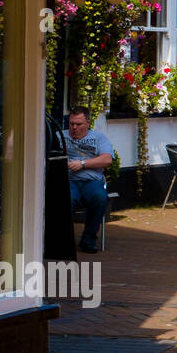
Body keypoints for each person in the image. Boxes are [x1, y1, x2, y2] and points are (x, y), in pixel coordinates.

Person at [64, 106, 114, 254]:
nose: (74, 127)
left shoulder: (99, 138)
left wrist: (83, 164)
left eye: (78, 124)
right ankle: (63, 241)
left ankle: (88, 239)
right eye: (71, 123)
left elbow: (107, 159)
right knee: (66, 199)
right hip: (69, 180)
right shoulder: (60, 136)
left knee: (100, 197)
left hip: (91, 181)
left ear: (88, 123)